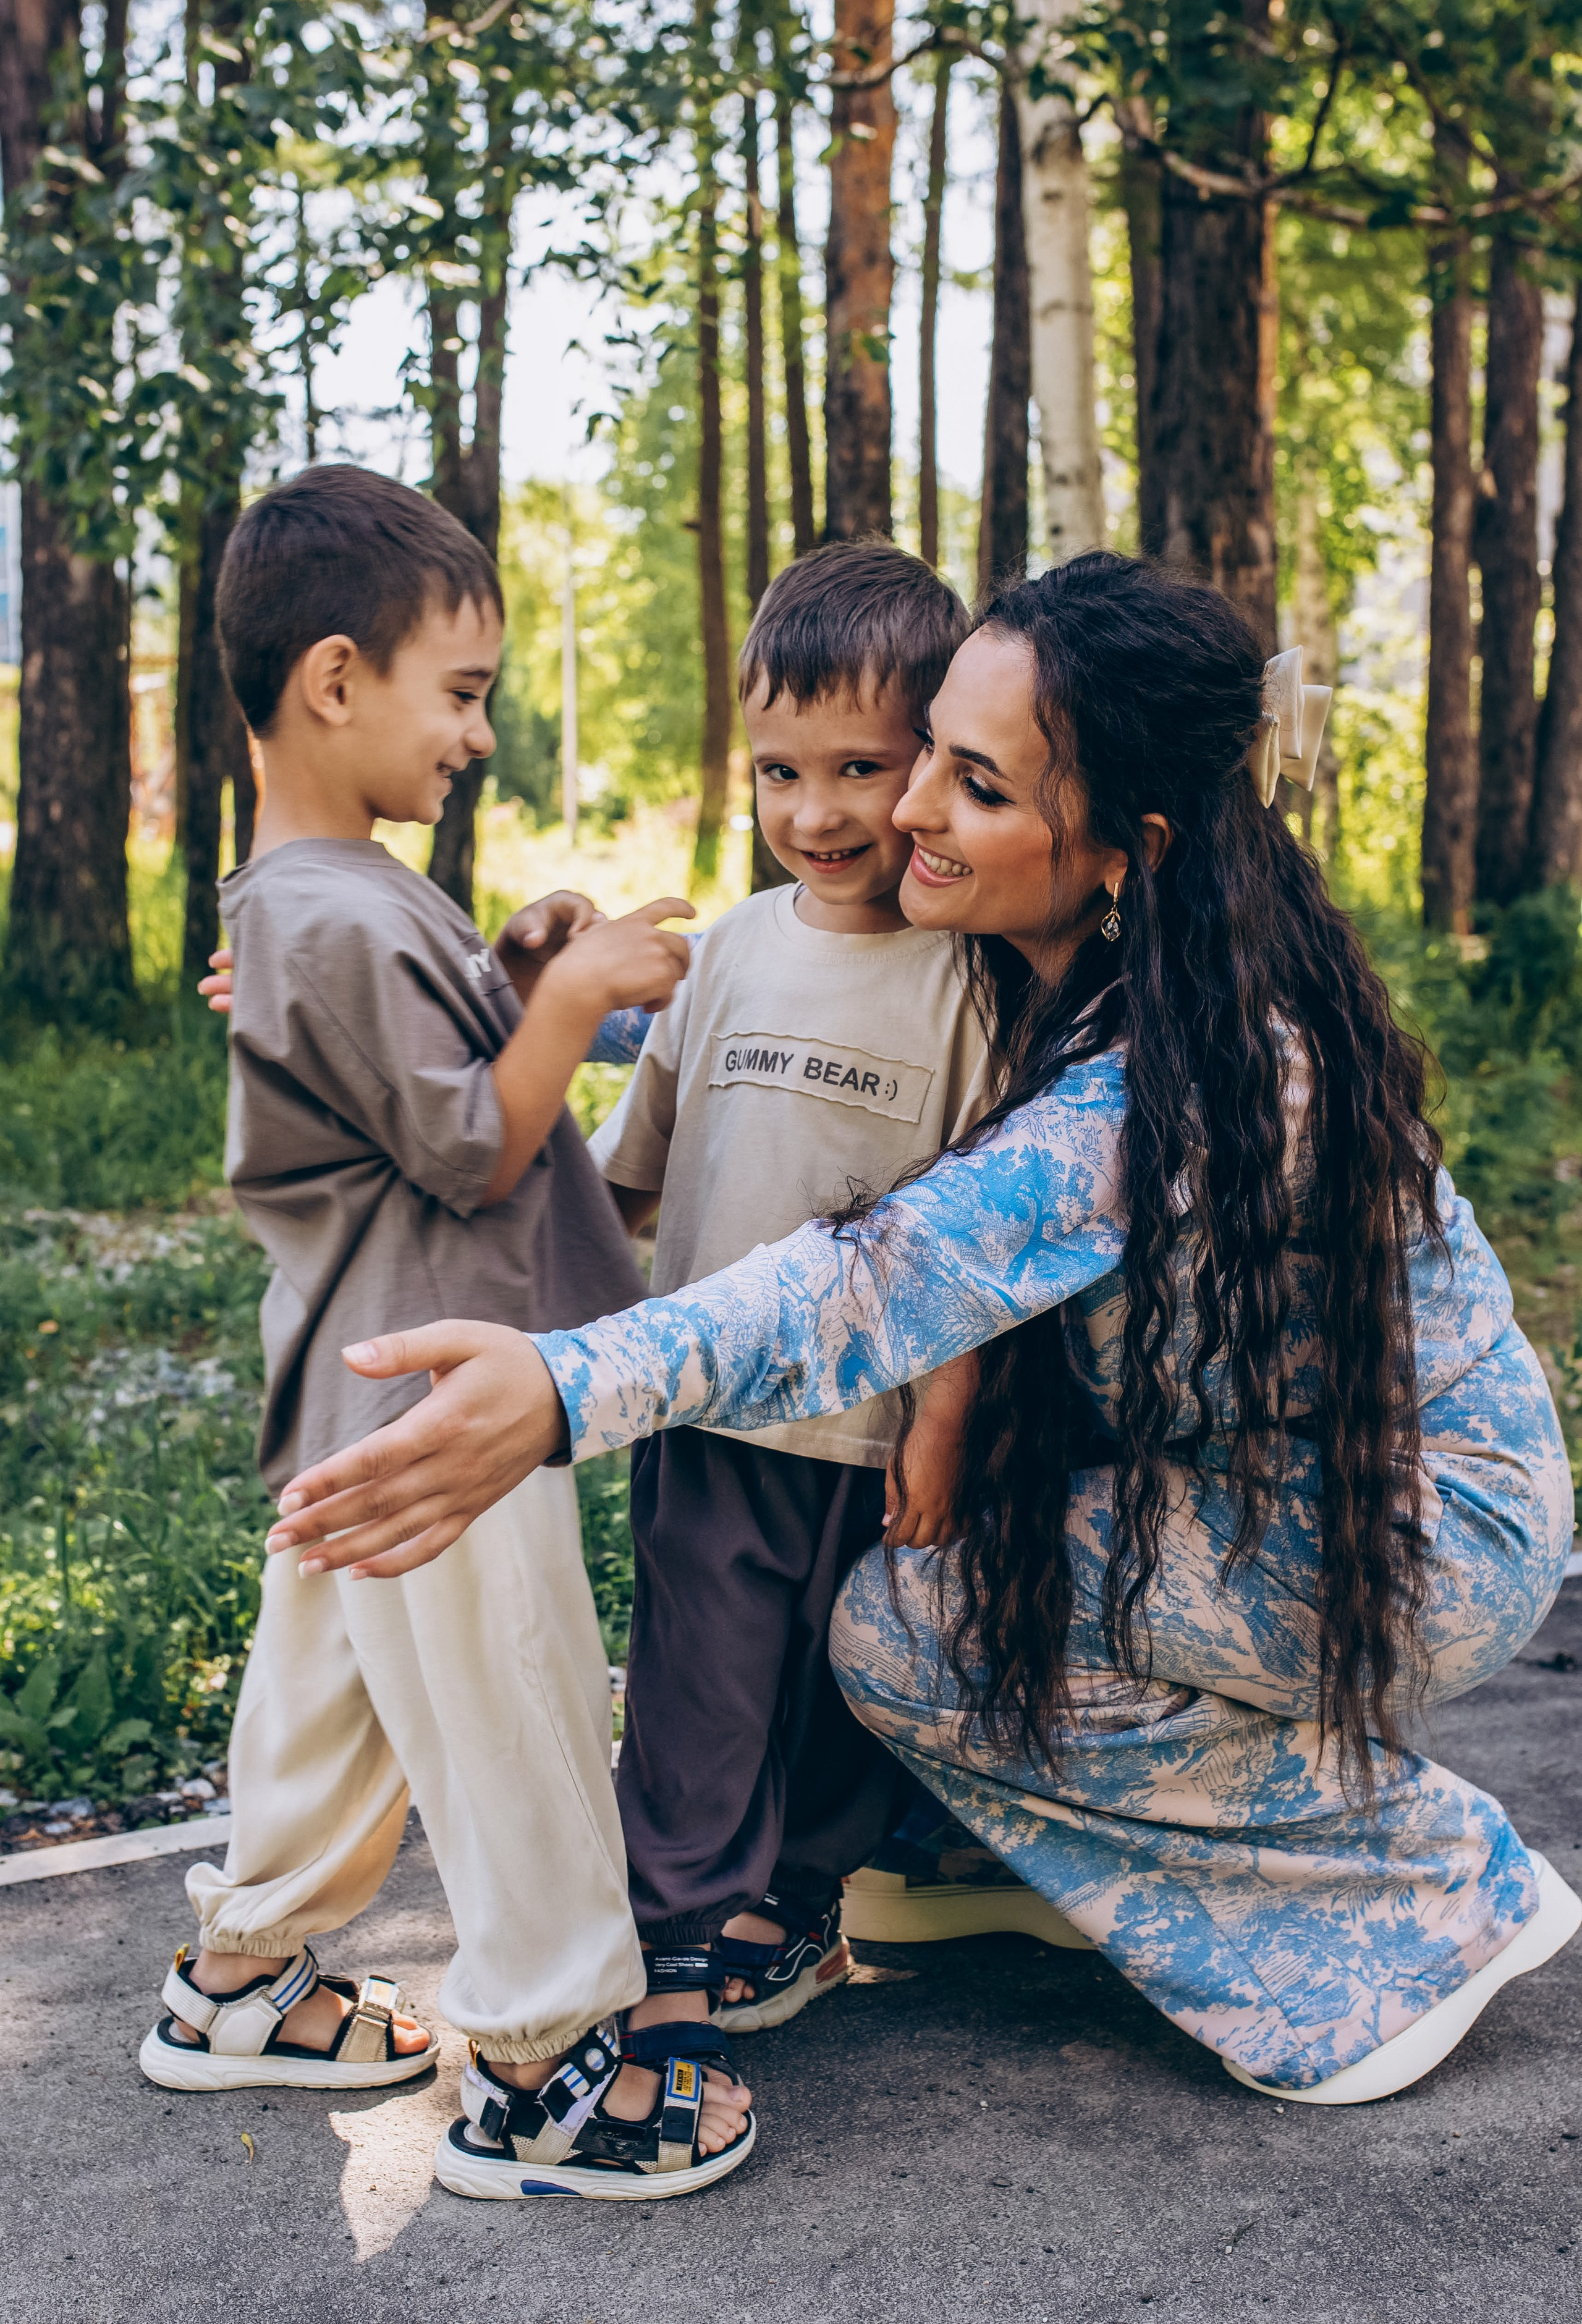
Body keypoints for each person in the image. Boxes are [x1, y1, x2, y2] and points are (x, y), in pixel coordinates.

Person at [268, 551, 1580, 2111]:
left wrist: (561, 1390)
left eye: (970, 784)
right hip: (1216, 1475)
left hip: (1413, 1522)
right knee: (915, 1607)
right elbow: (757, 1012)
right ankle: (982, 1848)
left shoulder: (1188, 1077)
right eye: (928, 756)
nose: (898, 817)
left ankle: (1420, 1902)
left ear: (1121, 849)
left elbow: (874, 1281)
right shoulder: (1040, 953)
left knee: (914, 1632)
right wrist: (390, 991)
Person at [142, 463, 756, 2200]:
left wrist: (518, 955)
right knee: (513, 1713)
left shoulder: (327, 894)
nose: (477, 734)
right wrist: (571, 995)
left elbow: (408, 1068)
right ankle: (551, 2077)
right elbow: (472, 1139)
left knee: (331, 1705)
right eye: (461, 693)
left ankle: (242, 1978)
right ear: (337, 682)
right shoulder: (326, 907)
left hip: (360, 1392)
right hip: (449, 1395)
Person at [589, 543, 992, 2053]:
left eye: (857, 769)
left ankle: (805, 1900)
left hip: (875, 1431)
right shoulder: (729, 955)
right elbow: (624, 1178)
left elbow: (977, 1237)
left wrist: (939, 1418)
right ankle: (669, 1953)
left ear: (932, 769)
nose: (814, 813)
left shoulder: (970, 979)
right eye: (776, 771)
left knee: (842, 1687)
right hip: (709, 1418)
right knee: (698, 1686)